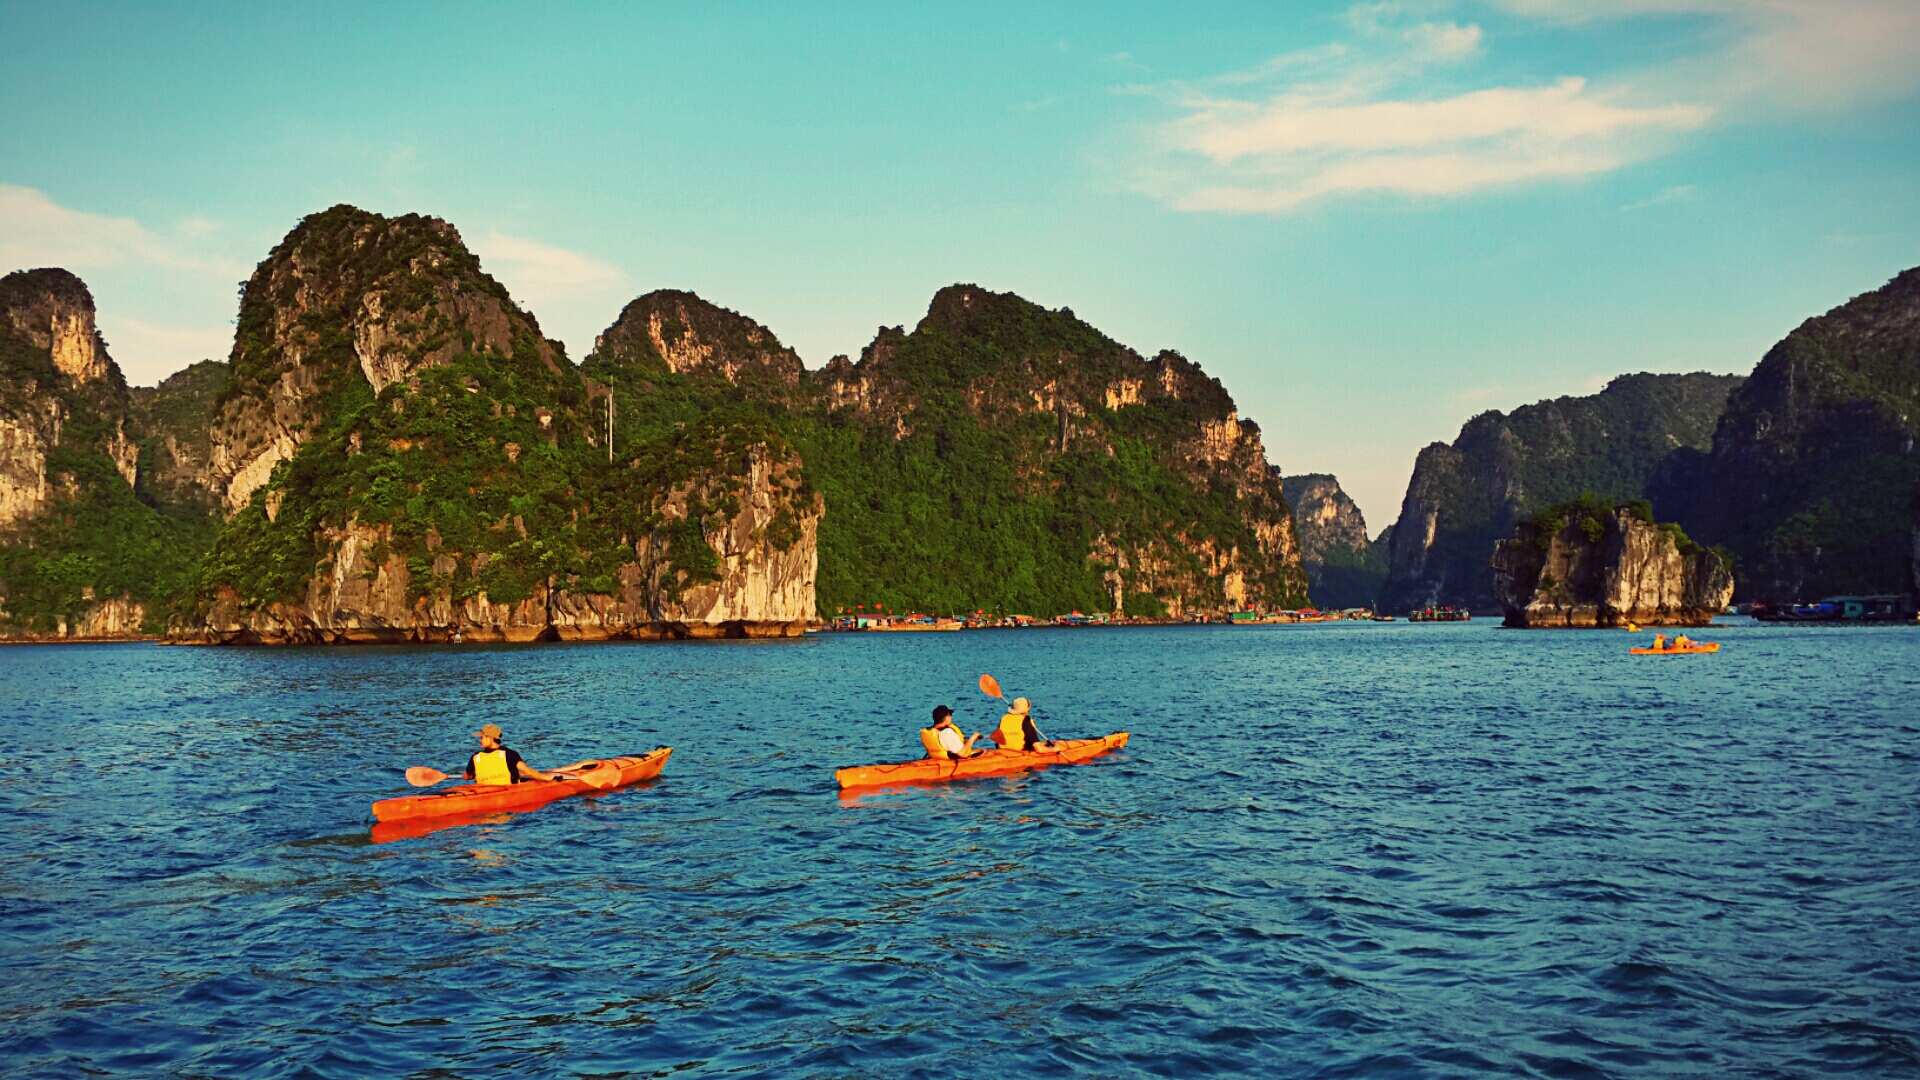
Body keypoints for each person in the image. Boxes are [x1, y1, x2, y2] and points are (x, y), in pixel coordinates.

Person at [464, 723, 555, 785]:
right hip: (505, 792)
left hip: (485, 793)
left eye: (482, 738)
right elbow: (528, 772)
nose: (480, 741)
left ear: (490, 738)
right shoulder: (510, 754)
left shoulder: (476, 757)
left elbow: (466, 776)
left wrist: (476, 775)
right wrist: (547, 778)